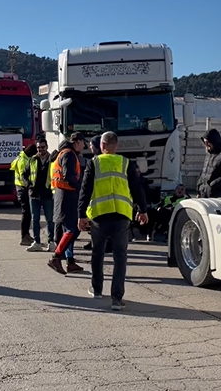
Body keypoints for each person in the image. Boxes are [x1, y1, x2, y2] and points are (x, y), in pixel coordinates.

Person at [78, 131, 148, 311]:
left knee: (98, 253)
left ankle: (97, 289)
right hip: (121, 216)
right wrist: (143, 210)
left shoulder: (94, 163)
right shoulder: (125, 163)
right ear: (116, 146)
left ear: (101, 146)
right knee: (120, 257)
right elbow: (136, 187)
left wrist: (81, 215)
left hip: (99, 216)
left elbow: (85, 190)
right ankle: (117, 299)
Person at [47, 132, 86, 274]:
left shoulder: (64, 153)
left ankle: (70, 261)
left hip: (62, 195)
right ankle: (56, 257)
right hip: (67, 196)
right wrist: (81, 188)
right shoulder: (69, 155)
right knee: (72, 230)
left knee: (68, 231)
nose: (84, 146)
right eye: (83, 143)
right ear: (78, 142)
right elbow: (69, 176)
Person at [23, 138, 54, 252]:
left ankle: (51, 242)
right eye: (39, 147)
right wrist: (28, 185)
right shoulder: (32, 160)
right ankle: (37, 242)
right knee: (35, 219)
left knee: (50, 220)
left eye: (43, 147)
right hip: (34, 194)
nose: (41, 149)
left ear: (47, 147)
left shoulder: (52, 160)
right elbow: (24, 175)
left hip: (48, 194)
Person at [82, 135, 112, 254]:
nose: (89, 147)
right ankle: (94, 241)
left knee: (103, 222)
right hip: (97, 195)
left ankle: (106, 244)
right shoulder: (95, 159)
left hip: (101, 195)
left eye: (91, 145)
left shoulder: (97, 161)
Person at [196, 128, 221, 198]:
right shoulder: (208, 155)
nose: (206, 145)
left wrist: (212, 185)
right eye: (205, 143)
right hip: (205, 194)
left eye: (208, 142)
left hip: (219, 196)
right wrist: (199, 186)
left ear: (214, 141)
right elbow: (204, 172)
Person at [11, 144, 37, 246]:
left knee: (27, 213)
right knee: (26, 213)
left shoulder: (22, 157)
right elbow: (24, 177)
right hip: (23, 189)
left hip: (21, 188)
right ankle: (24, 236)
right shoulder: (23, 161)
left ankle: (26, 235)